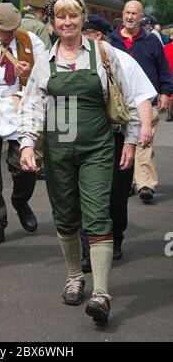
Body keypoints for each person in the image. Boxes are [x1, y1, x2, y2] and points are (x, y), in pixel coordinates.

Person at [18, 0, 139, 325]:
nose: (67, 21)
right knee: (66, 217)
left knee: (98, 216)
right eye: (61, 16)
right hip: (58, 150)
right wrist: (27, 144)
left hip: (97, 148)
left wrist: (129, 141)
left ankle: (101, 295)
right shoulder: (45, 62)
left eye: (73, 15)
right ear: (53, 22)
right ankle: (75, 277)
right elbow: (32, 108)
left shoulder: (103, 54)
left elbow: (125, 100)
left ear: (82, 18)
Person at [81, 14, 157, 268]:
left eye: (85, 32)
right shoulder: (73, 59)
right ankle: (87, 245)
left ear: (98, 35)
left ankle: (116, 237)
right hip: (83, 137)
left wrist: (142, 130)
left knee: (117, 191)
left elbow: (142, 97)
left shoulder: (124, 61)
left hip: (116, 135)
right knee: (85, 192)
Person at [0, 3, 45, 245]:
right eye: (7, 31)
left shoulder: (30, 39)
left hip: (18, 107)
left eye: (15, 29)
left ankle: (20, 200)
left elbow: (47, 73)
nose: (13, 34)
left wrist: (29, 72)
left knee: (25, 167)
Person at [109, 0, 173, 203]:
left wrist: (165, 92)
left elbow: (163, 68)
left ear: (141, 16)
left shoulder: (152, 41)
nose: (129, 17)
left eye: (134, 13)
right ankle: (126, 181)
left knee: (143, 141)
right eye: (127, 12)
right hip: (118, 103)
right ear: (122, 13)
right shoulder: (111, 40)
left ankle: (145, 183)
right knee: (123, 143)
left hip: (146, 101)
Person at [163, 37, 173, 121]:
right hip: (169, 72)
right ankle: (170, 114)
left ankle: (169, 114)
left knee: (170, 94)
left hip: (168, 73)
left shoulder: (166, 47)